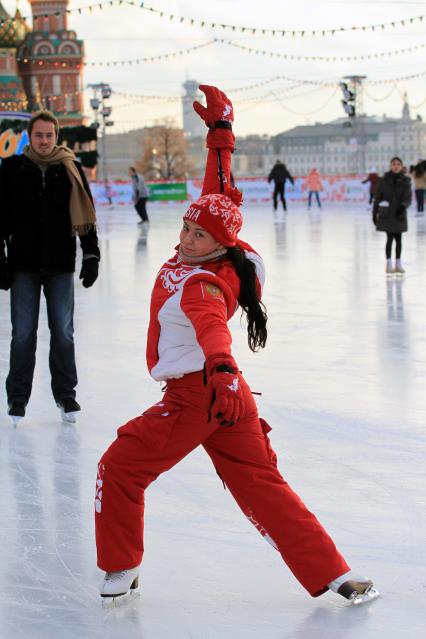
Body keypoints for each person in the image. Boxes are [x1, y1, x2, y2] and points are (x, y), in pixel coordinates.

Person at [95, 85, 379, 608]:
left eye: (195, 235)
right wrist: (220, 132)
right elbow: (218, 195)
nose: (184, 237)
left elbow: (211, 329)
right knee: (261, 484)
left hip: (198, 395)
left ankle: (120, 569)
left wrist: (222, 367)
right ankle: (336, 574)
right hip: (228, 397)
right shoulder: (231, 249)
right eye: (184, 227)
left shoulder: (201, 284)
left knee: (117, 468)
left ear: (218, 245)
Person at [0, 110, 100, 424]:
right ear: (30, 136)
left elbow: (87, 213)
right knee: (24, 334)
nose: (44, 140)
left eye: (49, 135)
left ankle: (66, 396)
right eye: (39, 135)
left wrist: (92, 255)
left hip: (60, 264)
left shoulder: (69, 167)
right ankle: (17, 398)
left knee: (64, 333)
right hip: (24, 265)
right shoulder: (13, 167)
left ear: (56, 137)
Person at [373, 157, 412, 275]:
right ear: (391, 166)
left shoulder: (406, 180)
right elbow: (378, 197)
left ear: (401, 166)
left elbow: (408, 197)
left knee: (399, 239)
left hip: (399, 213)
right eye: (394, 164)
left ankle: (398, 263)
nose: (396, 166)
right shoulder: (384, 180)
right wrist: (375, 213)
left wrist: (403, 206)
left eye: (398, 164)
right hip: (388, 214)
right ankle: (389, 263)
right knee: (389, 238)